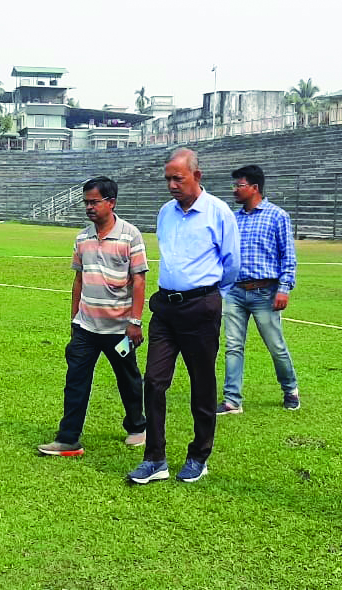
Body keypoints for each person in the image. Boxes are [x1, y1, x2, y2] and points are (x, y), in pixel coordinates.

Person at [128, 148, 239, 485]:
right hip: (165, 307)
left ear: (197, 176)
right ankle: (155, 458)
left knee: (201, 382)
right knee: (154, 380)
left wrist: (210, 298)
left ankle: (199, 455)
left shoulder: (218, 213)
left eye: (178, 178)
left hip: (200, 307)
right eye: (168, 179)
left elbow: (232, 264)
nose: (172, 185)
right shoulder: (166, 213)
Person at [38, 176, 149, 457]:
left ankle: (137, 427)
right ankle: (68, 439)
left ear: (111, 202)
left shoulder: (130, 235)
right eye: (86, 202)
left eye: (94, 202)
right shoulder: (82, 238)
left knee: (128, 379)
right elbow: (78, 280)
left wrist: (135, 322)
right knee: (76, 381)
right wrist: (74, 319)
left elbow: (139, 281)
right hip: (86, 326)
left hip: (119, 328)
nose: (89, 207)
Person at [218, 165, 301, 414]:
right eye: (234, 185)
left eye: (239, 185)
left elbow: (288, 256)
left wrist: (284, 288)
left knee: (276, 345)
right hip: (235, 291)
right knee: (233, 346)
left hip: (265, 292)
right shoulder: (233, 219)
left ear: (254, 187)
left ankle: (290, 389)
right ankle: (232, 400)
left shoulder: (277, 216)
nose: (234, 189)